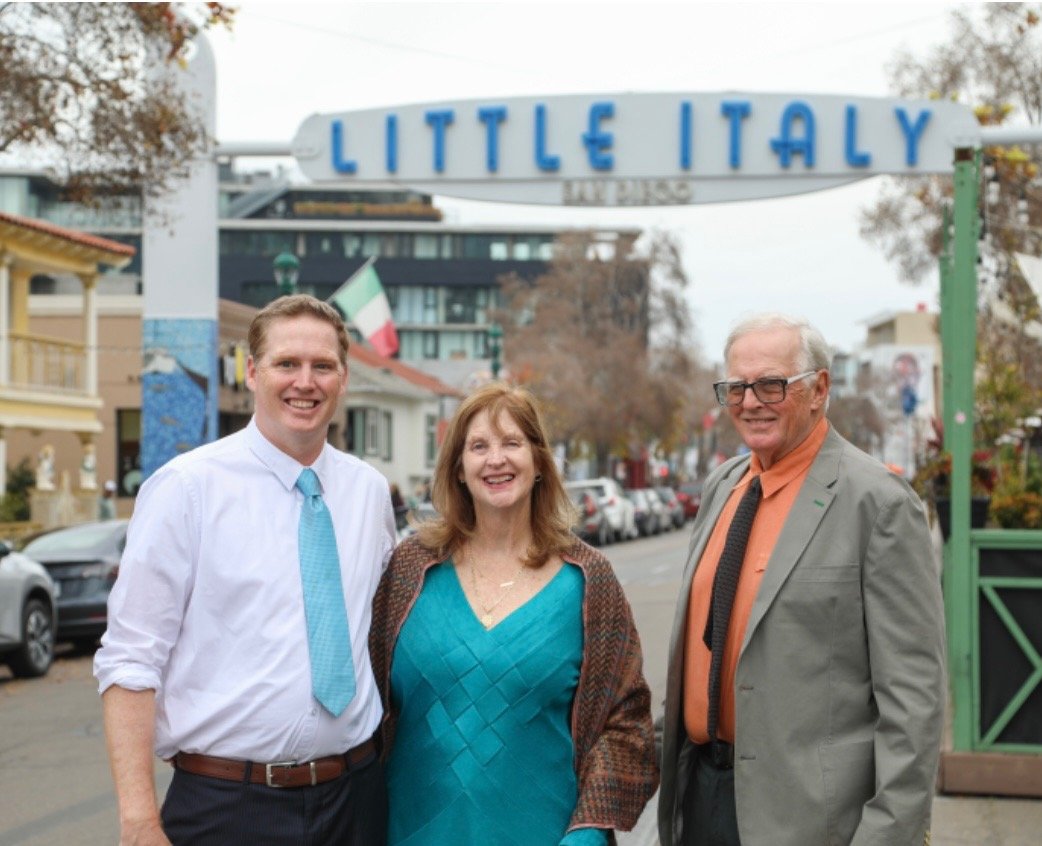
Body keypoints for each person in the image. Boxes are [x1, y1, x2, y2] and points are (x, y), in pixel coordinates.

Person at [94, 295, 396, 845]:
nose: (305, 382)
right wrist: (138, 822)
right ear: (252, 372)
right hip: (227, 807)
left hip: (356, 799)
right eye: (287, 363)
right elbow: (131, 659)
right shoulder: (187, 489)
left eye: (322, 366)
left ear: (344, 378)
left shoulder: (368, 492)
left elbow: (381, 635)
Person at [658, 313, 945, 846]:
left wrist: (887, 834)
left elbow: (914, 702)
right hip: (701, 798)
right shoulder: (723, 486)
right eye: (737, 388)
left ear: (819, 389)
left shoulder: (878, 504)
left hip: (811, 820)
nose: (750, 403)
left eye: (771, 385)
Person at [370, 383, 658, 845]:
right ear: (458, 468)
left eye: (512, 443)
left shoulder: (589, 580)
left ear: (539, 462)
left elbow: (627, 722)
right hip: (410, 831)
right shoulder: (410, 569)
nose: (496, 460)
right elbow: (367, 698)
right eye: (479, 446)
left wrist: (588, 830)